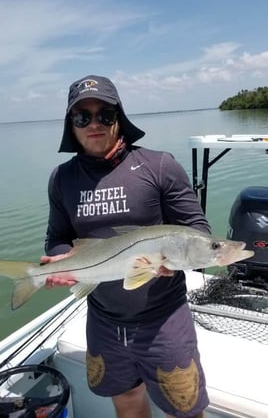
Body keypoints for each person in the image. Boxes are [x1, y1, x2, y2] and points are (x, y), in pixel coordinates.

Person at [41, 74, 211, 418]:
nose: (94, 124)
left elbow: (198, 230)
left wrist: (174, 259)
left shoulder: (158, 166)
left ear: (119, 118)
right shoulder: (62, 179)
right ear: (70, 125)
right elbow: (57, 238)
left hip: (164, 319)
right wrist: (62, 261)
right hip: (103, 320)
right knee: (128, 401)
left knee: (186, 410)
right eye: (82, 116)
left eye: (104, 114)